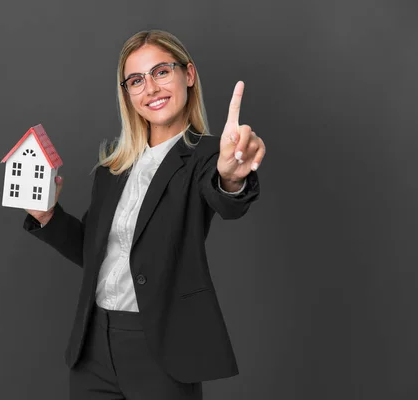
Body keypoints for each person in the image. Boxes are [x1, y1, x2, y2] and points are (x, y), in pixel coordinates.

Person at [22, 29, 265, 400]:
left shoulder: (206, 157)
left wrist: (231, 178)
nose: (150, 88)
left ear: (189, 74)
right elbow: (93, 252)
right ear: (127, 93)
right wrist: (47, 215)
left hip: (160, 346)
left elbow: (226, 197)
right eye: (137, 80)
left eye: (161, 72)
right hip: (94, 347)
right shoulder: (114, 166)